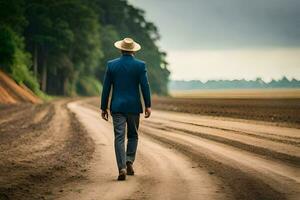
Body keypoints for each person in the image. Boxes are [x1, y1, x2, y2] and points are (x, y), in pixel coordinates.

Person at [100, 38, 152, 181]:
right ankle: (129, 160)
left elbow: (106, 88)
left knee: (119, 137)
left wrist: (103, 107)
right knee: (133, 135)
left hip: (117, 107)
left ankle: (121, 167)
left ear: (120, 49)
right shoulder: (140, 66)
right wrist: (148, 105)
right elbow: (145, 86)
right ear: (134, 50)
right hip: (134, 107)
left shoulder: (112, 65)